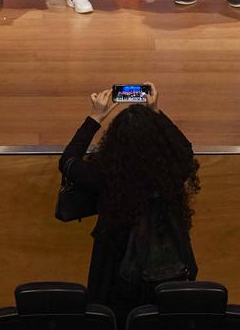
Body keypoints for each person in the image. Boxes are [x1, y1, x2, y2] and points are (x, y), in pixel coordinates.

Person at [56, 86, 200, 314]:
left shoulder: (105, 174)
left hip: (112, 276)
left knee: (111, 321)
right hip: (167, 275)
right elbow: (184, 149)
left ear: (114, 143)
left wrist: (95, 117)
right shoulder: (171, 171)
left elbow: (68, 160)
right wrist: (155, 112)